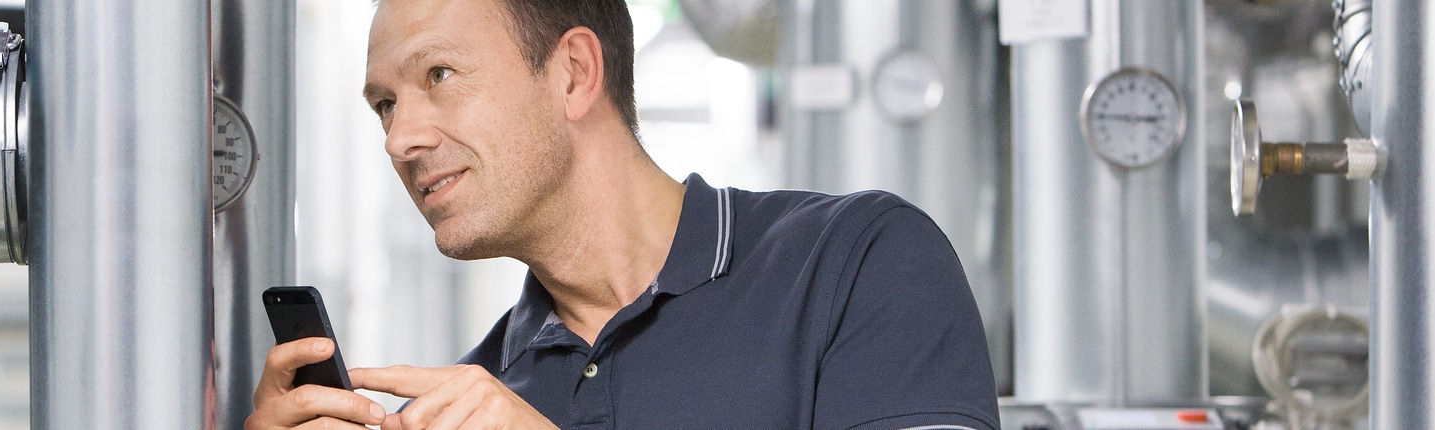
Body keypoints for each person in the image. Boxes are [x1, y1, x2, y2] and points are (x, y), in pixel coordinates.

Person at [246, 0, 999, 428]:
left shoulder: (855, 262)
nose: (398, 137)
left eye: (438, 75)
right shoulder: (479, 393)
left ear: (574, 73)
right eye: (384, 104)